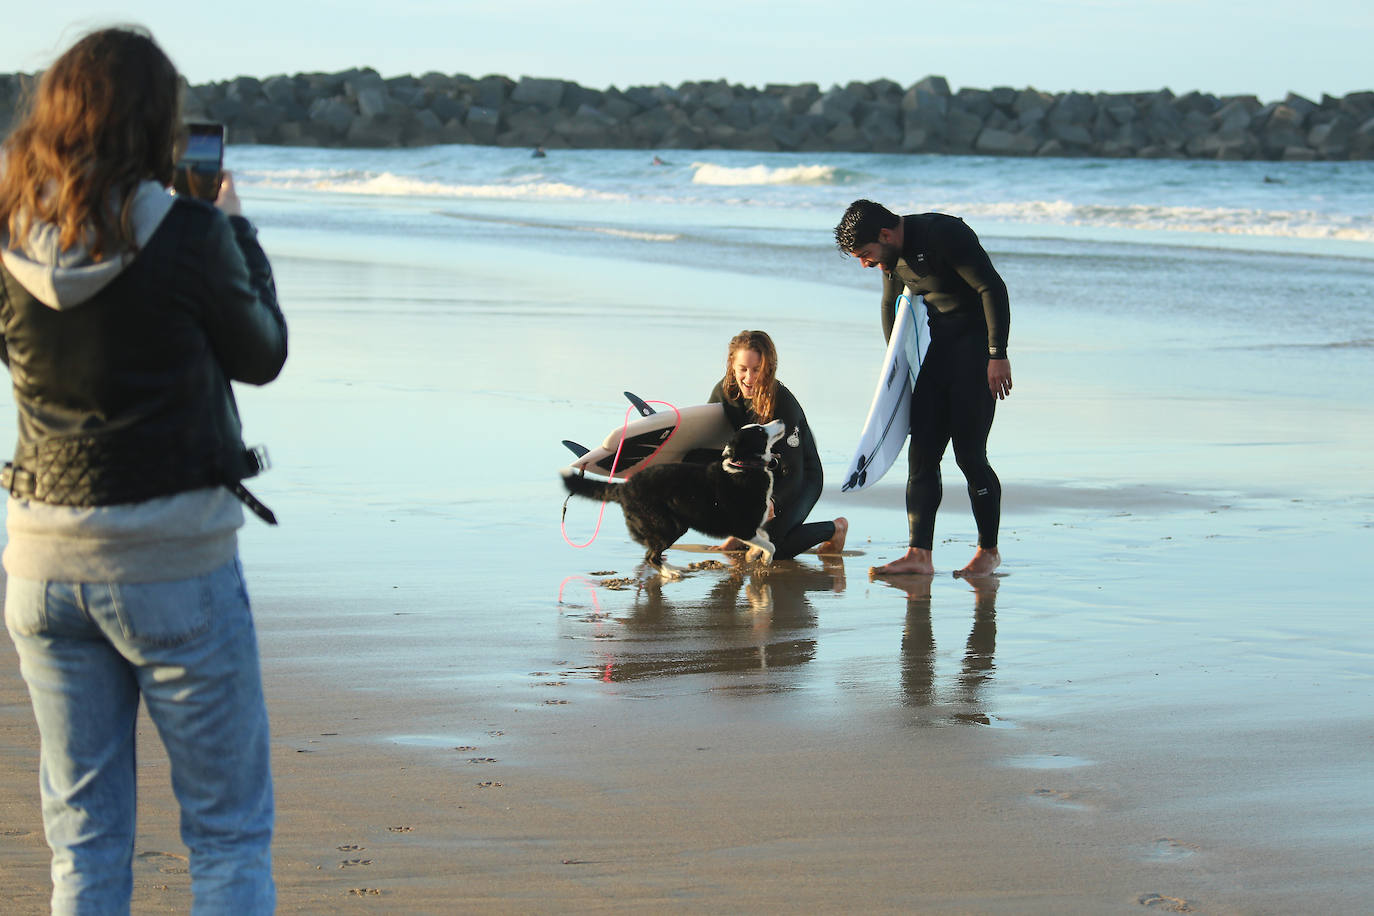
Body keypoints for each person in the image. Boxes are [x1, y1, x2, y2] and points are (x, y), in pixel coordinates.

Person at [0, 27, 286, 912]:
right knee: (227, 835)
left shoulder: (8, 234)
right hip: (173, 563)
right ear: (158, 125)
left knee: (83, 842)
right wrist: (236, 225)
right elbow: (263, 352)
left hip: (42, 563)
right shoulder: (192, 232)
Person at [833, 199, 1011, 577]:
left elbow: (992, 288)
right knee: (922, 457)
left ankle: (988, 552)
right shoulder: (890, 256)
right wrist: (893, 375)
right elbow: (889, 307)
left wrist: (998, 355)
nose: (866, 263)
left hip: (976, 359)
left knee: (970, 456)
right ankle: (919, 554)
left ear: (885, 234)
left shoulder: (943, 234)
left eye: (866, 254)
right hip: (938, 358)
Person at [707, 330, 846, 560]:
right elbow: (709, 445)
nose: (749, 378)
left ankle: (835, 529)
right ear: (732, 364)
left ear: (768, 367)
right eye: (743, 369)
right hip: (760, 475)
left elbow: (795, 472)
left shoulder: (783, 404)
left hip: (798, 480)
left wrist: (773, 501)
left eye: (757, 369)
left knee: (773, 549)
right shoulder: (724, 393)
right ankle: (743, 533)